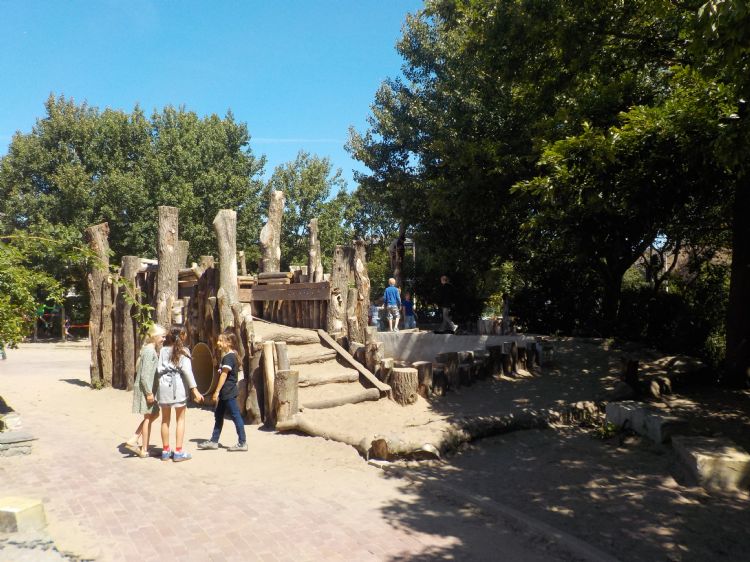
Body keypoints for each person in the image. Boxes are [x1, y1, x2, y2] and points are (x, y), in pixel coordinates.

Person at [156, 325, 203, 462]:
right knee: (180, 419)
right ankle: (178, 451)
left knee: (165, 420)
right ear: (182, 335)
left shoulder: (163, 350)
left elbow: (159, 369)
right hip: (177, 386)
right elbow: (187, 371)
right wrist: (195, 389)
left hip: (164, 385)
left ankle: (165, 451)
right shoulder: (184, 351)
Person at [198, 331, 247, 452]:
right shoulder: (227, 356)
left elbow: (224, 375)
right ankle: (214, 441)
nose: (218, 343)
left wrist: (216, 391)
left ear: (229, 342)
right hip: (225, 392)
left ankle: (242, 442)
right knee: (219, 415)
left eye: (221, 340)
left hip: (228, 391)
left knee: (235, 416)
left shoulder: (229, 357)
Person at [125, 324, 167, 458]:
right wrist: (149, 392)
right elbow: (144, 375)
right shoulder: (149, 351)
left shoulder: (150, 349)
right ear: (155, 336)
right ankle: (138, 441)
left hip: (148, 388)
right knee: (149, 417)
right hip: (146, 389)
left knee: (152, 415)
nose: (164, 339)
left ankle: (142, 445)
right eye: (162, 336)